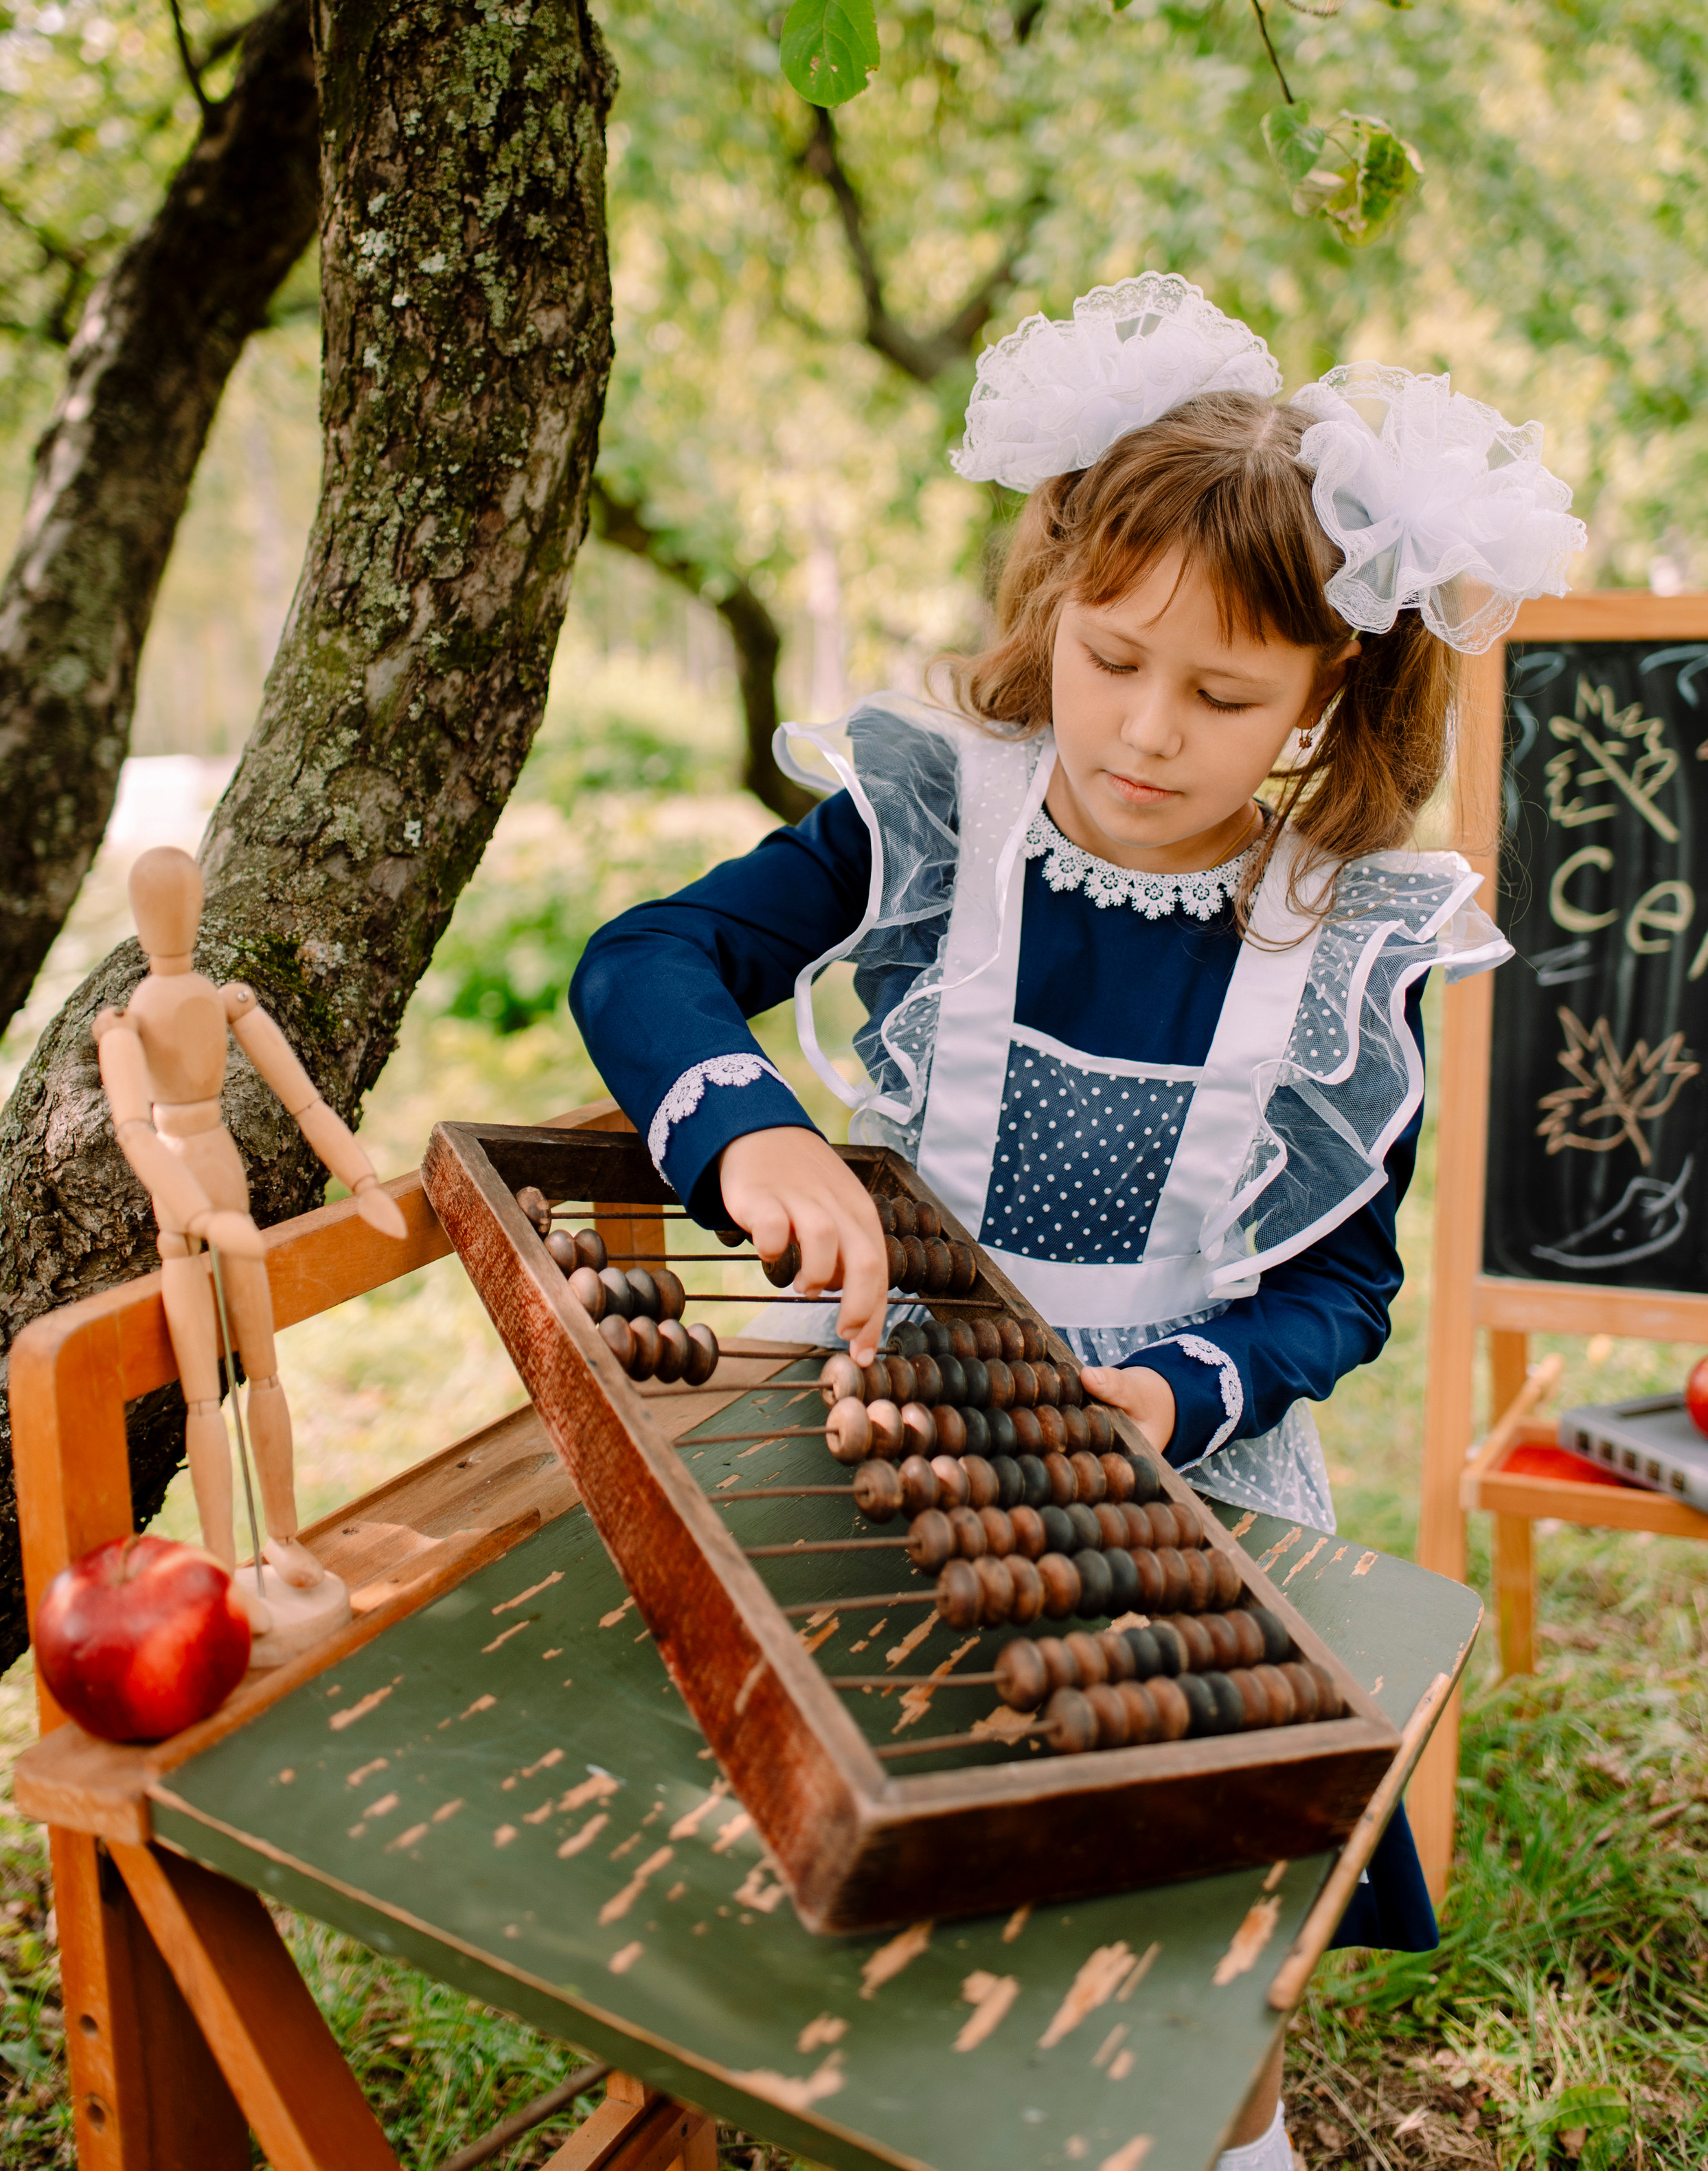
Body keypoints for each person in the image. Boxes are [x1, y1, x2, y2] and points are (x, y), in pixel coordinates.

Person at [573, 273, 1582, 2171]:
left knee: (1194, 1914)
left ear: (1329, 692)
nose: (1141, 731)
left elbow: (1341, 1283)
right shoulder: (934, 817)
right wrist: (756, 1139)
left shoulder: (1348, 937)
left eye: (1224, 697)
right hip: (902, 1429)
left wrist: (1188, 1391)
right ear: (1056, 602)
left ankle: (1227, 2131)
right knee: (900, 1827)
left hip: (1184, 1476)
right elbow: (652, 956)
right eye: (1114, 656)